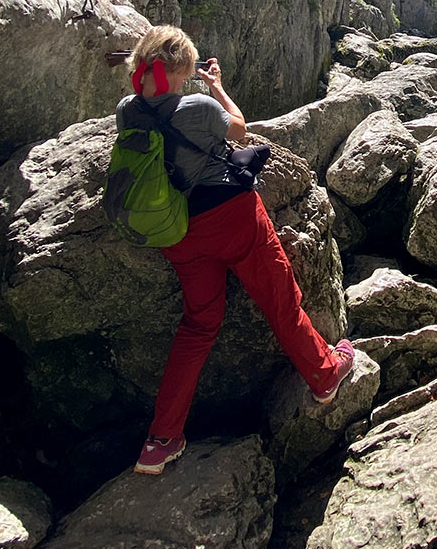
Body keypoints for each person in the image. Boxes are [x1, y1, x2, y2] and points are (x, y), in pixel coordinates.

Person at [117, 25, 354, 475]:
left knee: (198, 326)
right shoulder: (200, 106)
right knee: (279, 298)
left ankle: (160, 440)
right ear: (183, 69)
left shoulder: (128, 110)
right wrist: (218, 88)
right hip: (232, 218)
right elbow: (241, 130)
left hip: (176, 229)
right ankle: (324, 373)